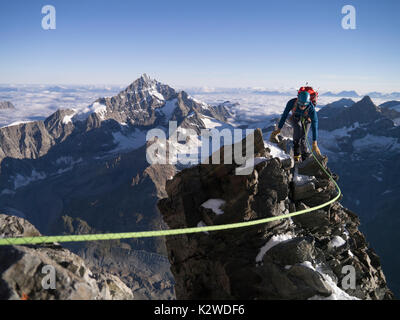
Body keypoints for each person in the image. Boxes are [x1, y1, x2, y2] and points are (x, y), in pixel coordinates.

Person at [270, 89, 321, 162]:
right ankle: (296, 156)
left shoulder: (311, 108)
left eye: (304, 105)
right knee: (297, 134)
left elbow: (315, 125)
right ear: (298, 102)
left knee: (303, 137)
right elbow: (284, 116)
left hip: (307, 119)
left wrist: (314, 142)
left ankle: (305, 158)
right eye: (301, 105)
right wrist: (279, 129)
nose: (303, 107)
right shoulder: (291, 103)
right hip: (295, 117)